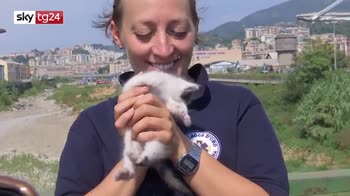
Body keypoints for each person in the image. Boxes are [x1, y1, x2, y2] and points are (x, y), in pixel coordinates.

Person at [55, 0, 289, 195]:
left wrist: (179, 146)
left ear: (195, 27)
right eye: (144, 33)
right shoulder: (91, 125)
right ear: (117, 34)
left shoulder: (239, 106)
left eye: (178, 31)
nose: (163, 49)